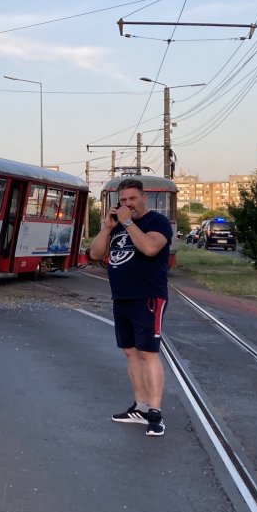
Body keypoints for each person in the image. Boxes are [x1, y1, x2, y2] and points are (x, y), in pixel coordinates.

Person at [87, 179, 172, 437]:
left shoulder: (157, 222)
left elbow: (149, 248)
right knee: (130, 353)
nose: (127, 204)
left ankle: (155, 413)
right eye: (122, 200)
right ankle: (140, 406)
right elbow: (94, 254)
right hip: (121, 297)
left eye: (132, 199)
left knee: (148, 353)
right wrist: (106, 228)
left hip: (148, 297)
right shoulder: (116, 225)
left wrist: (127, 222)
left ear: (143, 198)